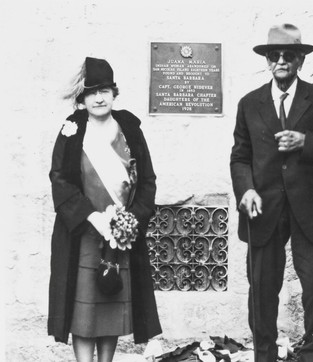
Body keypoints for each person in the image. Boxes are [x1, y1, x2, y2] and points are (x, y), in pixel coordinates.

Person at [230, 24, 313, 362]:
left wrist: (307, 143)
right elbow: (240, 156)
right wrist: (246, 189)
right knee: (262, 289)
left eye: (289, 56)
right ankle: (264, 354)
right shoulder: (250, 103)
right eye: (274, 55)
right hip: (263, 208)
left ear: (300, 61)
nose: (281, 61)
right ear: (267, 61)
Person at [47, 57, 162, 361]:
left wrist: (131, 220)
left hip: (120, 236)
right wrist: (92, 216)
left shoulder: (131, 130)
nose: (99, 97)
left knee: (110, 308)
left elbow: (147, 181)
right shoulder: (71, 131)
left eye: (105, 90)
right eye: (92, 91)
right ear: (82, 98)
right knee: (83, 313)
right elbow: (59, 179)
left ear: (114, 93)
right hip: (84, 233)